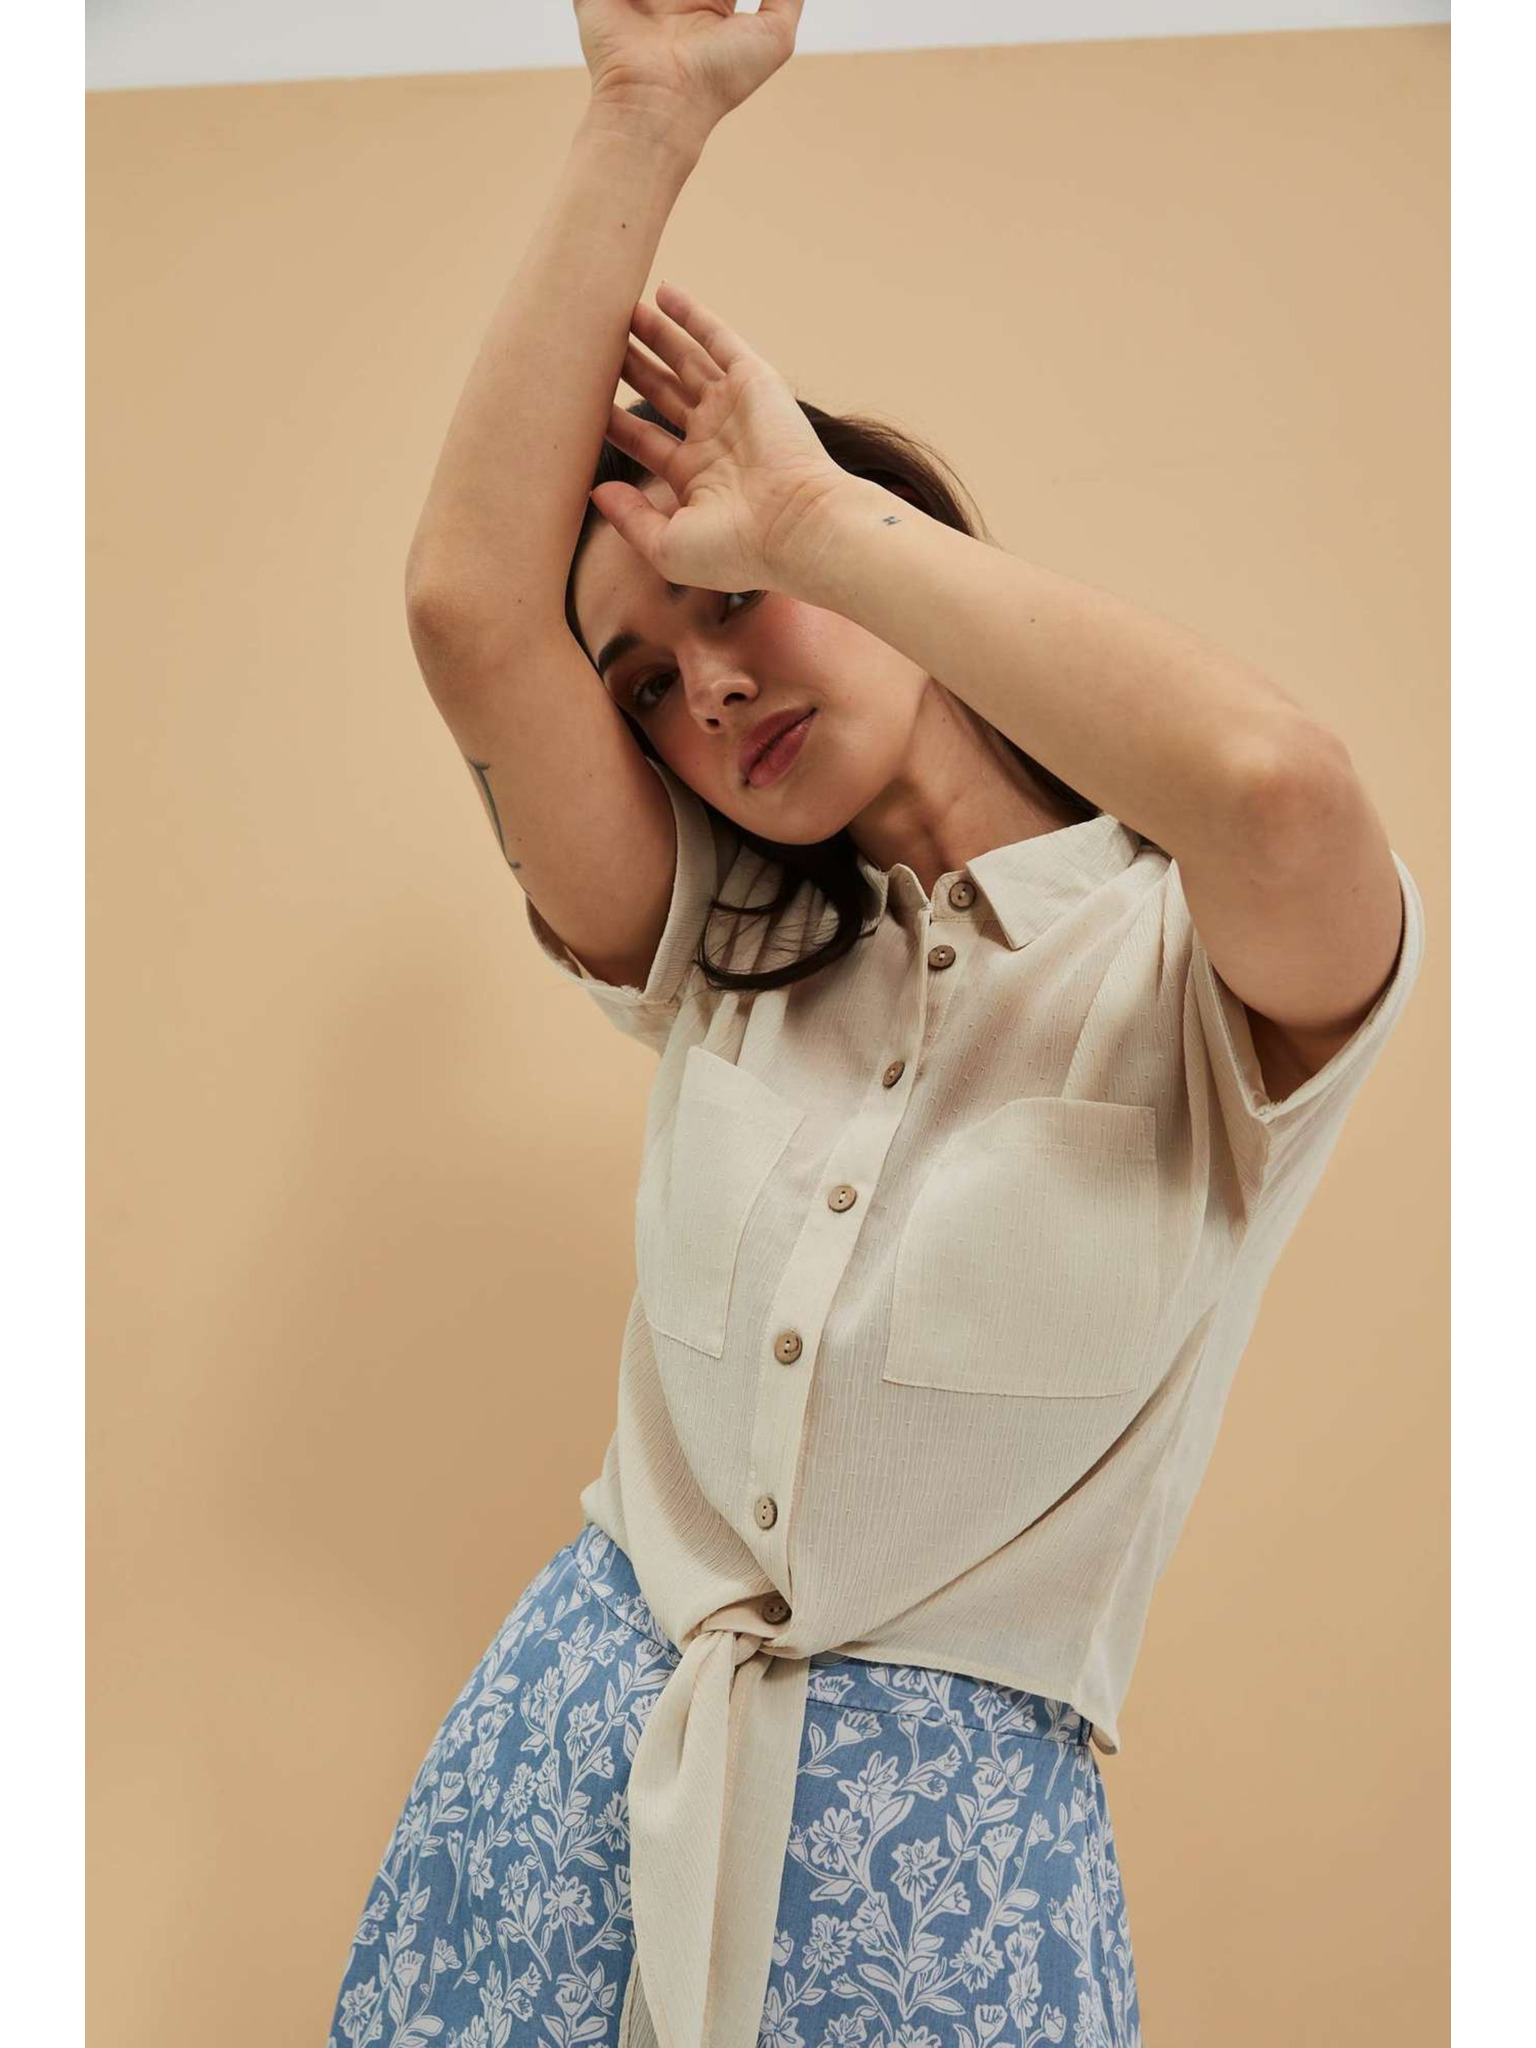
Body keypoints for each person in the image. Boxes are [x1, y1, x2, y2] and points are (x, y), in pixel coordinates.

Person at [327, 5, 1425, 2046]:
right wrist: (645, 112)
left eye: (729, 604)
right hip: (555, 1807)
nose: (705, 690)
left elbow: (1281, 789)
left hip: (945, 1903)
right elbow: (470, 611)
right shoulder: (723, 943)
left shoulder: (1201, 987)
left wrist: (815, 525)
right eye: (644, 684)